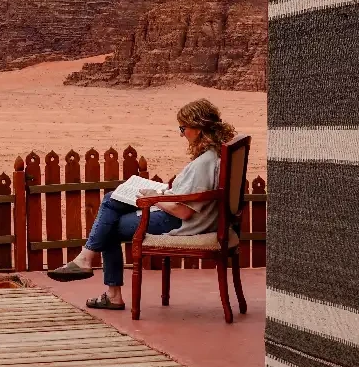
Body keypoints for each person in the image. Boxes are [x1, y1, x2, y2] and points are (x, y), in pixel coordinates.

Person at [46, 98, 236, 310]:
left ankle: (105, 284)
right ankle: (89, 263)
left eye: (183, 128)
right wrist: (164, 192)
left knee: (109, 225)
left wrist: (153, 196)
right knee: (111, 201)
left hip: (182, 223)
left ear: (199, 129)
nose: (181, 134)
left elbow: (183, 212)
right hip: (200, 217)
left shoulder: (203, 164)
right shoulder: (218, 154)